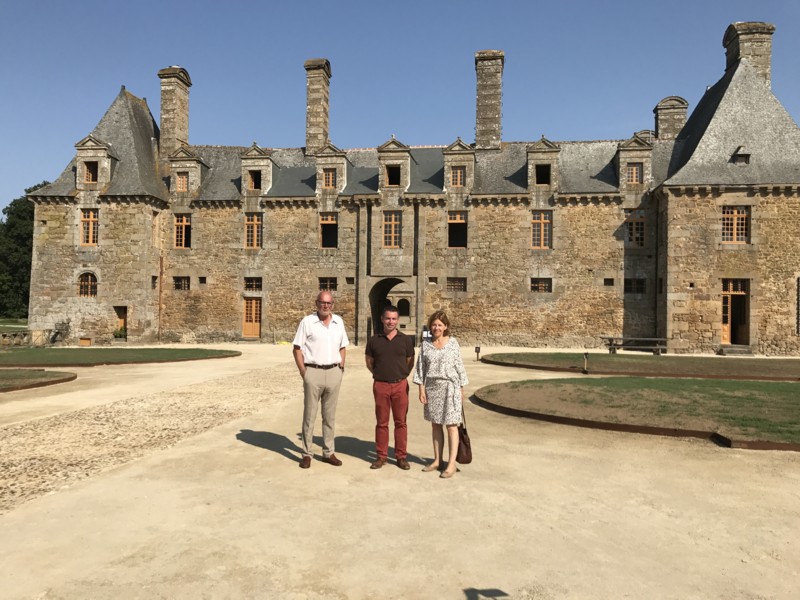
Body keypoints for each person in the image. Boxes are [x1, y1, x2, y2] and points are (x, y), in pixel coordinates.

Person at [292, 290, 349, 469]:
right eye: (322, 302)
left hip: (333, 372)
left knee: (329, 416)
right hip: (313, 372)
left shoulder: (339, 322)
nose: (326, 306)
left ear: (332, 305)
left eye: (329, 303)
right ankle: (307, 453)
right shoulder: (307, 322)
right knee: (310, 415)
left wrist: (341, 368)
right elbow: (297, 348)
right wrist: (304, 372)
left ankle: (328, 452)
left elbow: (343, 346)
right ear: (316, 303)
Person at [413, 311, 469, 479]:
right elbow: (420, 368)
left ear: (446, 327)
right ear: (430, 326)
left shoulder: (453, 343)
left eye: (440, 325)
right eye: (434, 324)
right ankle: (437, 460)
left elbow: (459, 365)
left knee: (452, 426)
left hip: (450, 387)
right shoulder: (425, 345)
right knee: (435, 425)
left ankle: (451, 464)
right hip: (432, 388)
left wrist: (461, 389)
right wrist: (421, 389)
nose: (436, 327)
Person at [365, 305, 415, 470]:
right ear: (382, 319)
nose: (390, 322)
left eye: (394, 318)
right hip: (381, 385)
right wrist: (381, 375)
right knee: (382, 422)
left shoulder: (406, 340)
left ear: (397, 320)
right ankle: (381, 456)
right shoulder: (374, 340)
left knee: (401, 422)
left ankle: (401, 456)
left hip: (400, 385)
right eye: (387, 318)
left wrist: (402, 374)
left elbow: (410, 360)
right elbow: (369, 362)